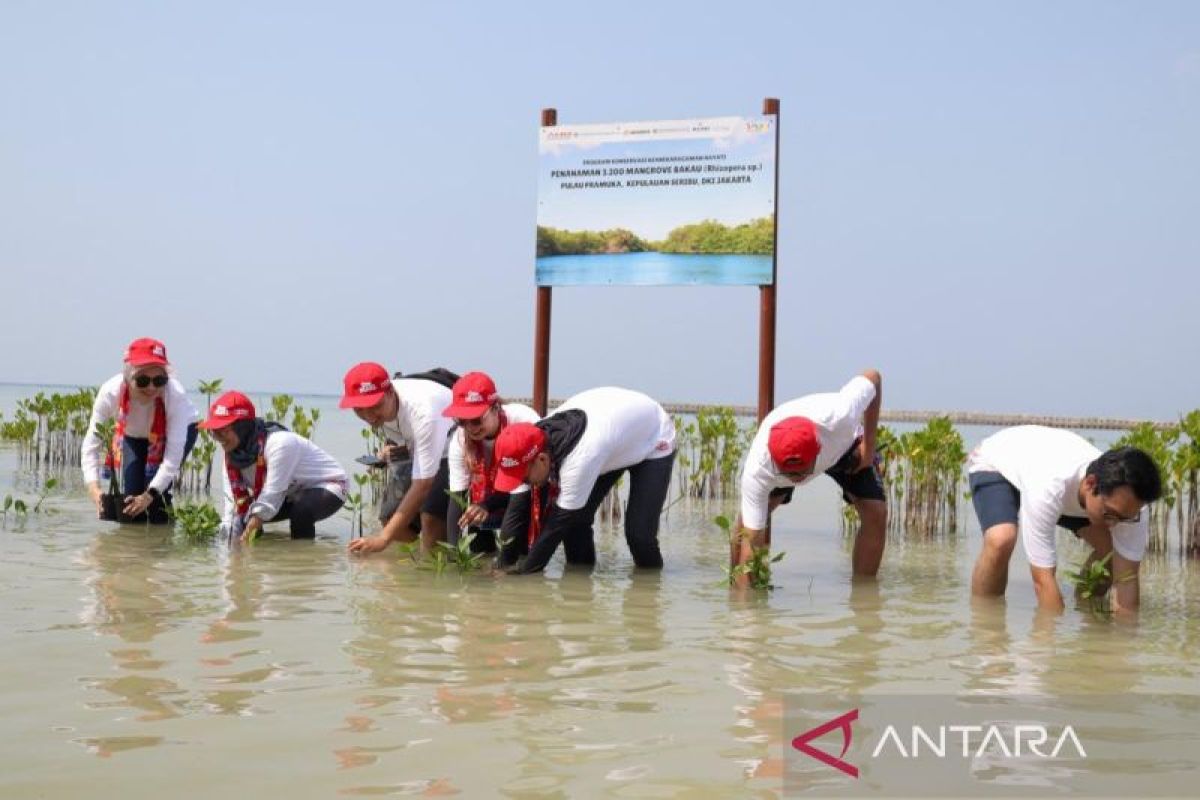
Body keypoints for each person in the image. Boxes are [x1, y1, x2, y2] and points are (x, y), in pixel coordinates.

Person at [967, 426, 1162, 614]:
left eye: (1123, 518)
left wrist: (1122, 642)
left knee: (1110, 554)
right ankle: (985, 623)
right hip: (997, 464)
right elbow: (1043, 581)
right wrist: (1053, 639)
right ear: (1090, 483)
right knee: (1001, 538)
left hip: (1065, 493)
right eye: (1109, 514)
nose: (1114, 525)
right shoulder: (1049, 487)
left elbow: (1126, 580)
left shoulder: (1134, 508)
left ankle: (1086, 608)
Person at [491, 386, 676, 574]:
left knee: (639, 535)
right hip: (612, 437)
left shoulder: (579, 459)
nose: (524, 483)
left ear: (542, 459)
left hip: (653, 437)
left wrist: (522, 575)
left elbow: (555, 528)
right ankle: (580, 584)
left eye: (524, 477)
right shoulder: (538, 435)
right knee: (576, 522)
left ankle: (650, 591)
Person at [735, 370, 886, 584]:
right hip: (781, 462)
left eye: (802, 473)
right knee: (746, 528)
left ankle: (864, 594)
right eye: (790, 474)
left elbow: (873, 377)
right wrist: (744, 614)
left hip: (844, 447)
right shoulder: (759, 468)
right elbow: (751, 545)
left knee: (876, 512)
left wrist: (868, 447)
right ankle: (735, 590)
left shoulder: (841, 414)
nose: (798, 479)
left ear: (818, 451)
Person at [200, 390, 347, 542]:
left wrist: (252, 526)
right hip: (289, 492)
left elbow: (272, 492)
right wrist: (229, 543)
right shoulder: (232, 456)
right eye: (214, 432)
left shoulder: (280, 443)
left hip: (329, 486)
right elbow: (232, 503)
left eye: (223, 431)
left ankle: (303, 558)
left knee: (300, 511)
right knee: (244, 517)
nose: (219, 439)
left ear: (242, 427)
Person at [81, 337, 199, 523]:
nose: (152, 387)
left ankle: (163, 544)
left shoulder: (175, 395)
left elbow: (172, 457)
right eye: (143, 380)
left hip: (178, 431)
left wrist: (150, 494)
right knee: (131, 499)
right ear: (128, 378)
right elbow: (91, 445)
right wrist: (94, 490)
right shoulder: (110, 392)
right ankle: (133, 549)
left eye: (159, 380)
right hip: (134, 435)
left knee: (157, 497)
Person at [340, 362, 453, 554]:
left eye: (374, 406)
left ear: (391, 391)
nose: (369, 416)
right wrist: (389, 450)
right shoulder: (380, 408)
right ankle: (412, 566)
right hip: (417, 447)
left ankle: (436, 569)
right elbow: (400, 432)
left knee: (431, 517)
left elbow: (423, 484)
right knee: (389, 516)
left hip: (451, 446)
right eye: (359, 409)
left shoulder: (424, 413)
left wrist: (382, 540)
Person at [442, 371, 540, 548]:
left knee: (515, 548)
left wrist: (487, 505)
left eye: (476, 420)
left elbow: (523, 490)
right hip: (487, 497)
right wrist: (453, 557)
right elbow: (457, 499)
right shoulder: (459, 441)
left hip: (527, 491)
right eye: (462, 421)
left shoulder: (523, 422)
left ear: (495, 407)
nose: (470, 428)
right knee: (476, 536)